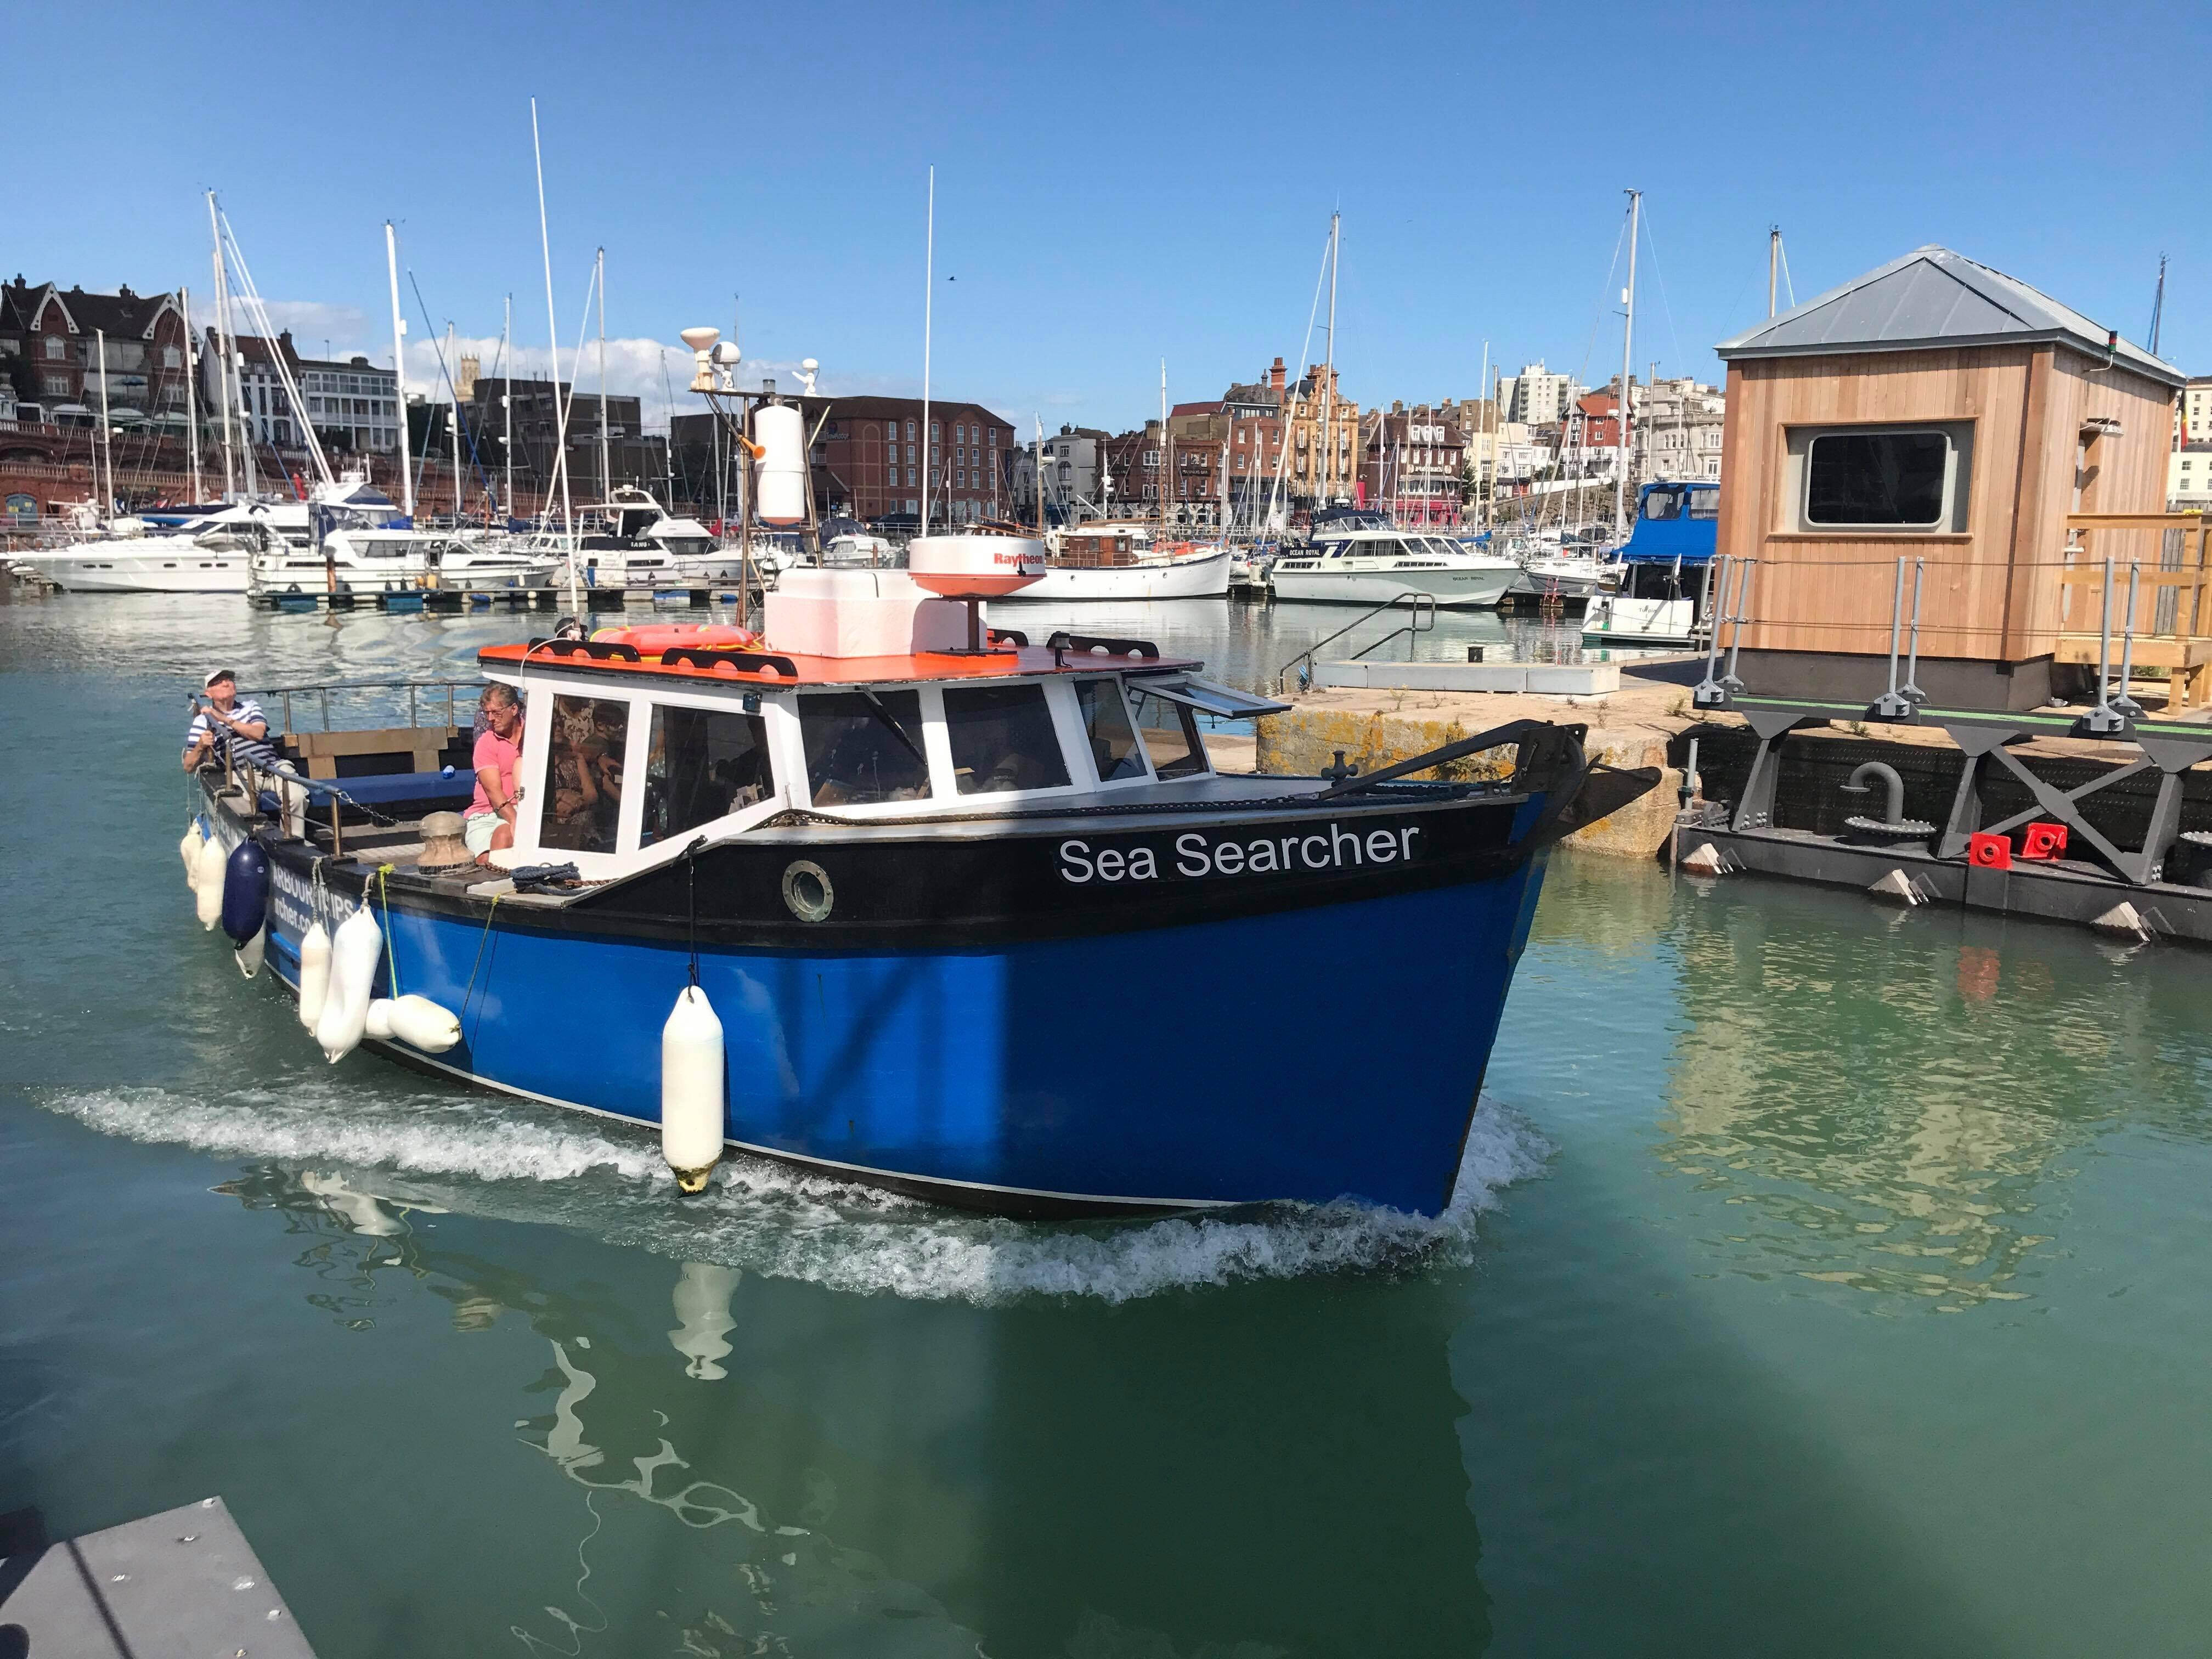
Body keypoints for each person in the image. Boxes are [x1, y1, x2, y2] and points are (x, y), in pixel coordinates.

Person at [465, 684, 524, 864]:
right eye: (487, 713)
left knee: (504, 836)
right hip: (486, 813)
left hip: (523, 807)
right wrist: (515, 820)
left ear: (514, 709)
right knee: (484, 859)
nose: (490, 719)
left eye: (496, 712)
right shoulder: (486, 743)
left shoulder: (533, 735)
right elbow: (493, 792)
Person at [182, 670, 278, 772]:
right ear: (208, 694)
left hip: (273, 767)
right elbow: (188, 767)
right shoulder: (203, 720)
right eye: (218, 682)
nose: (226, 684)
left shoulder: (250, 706)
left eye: (229, 680)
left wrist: (224, 719)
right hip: (240, 775)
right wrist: (201, 745)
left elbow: (258, 734)